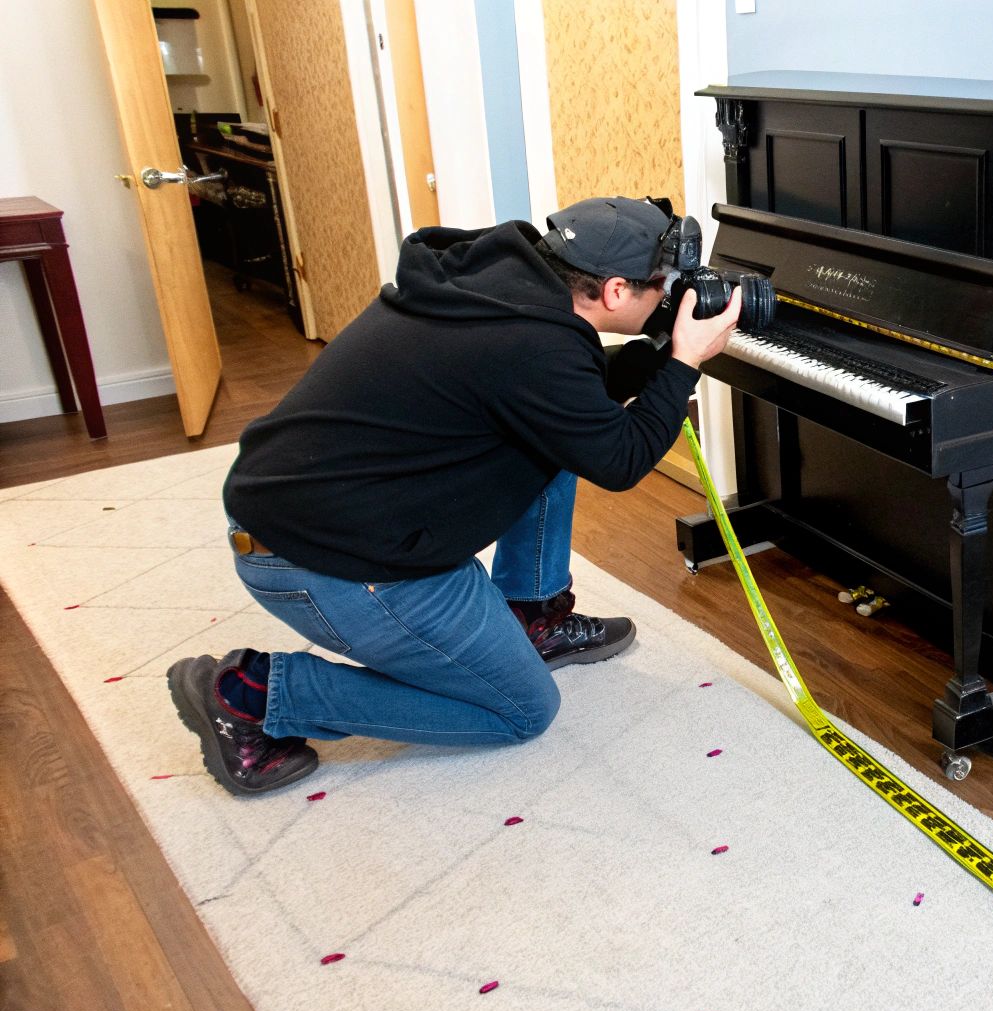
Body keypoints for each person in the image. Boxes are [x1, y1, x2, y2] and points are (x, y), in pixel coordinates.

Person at [165, 196, 740, 796]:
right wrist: (685, 361)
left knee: (560, 443)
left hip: (323, 508)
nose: (669, 298)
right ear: (616, 291)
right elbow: (621, 460)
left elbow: (571, 403)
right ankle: (250, 696)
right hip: (327, 561)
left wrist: (662, 355)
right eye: (662, 286)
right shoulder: (529, 344)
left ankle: (531, 616)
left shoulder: (493, 288)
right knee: (520, 710)